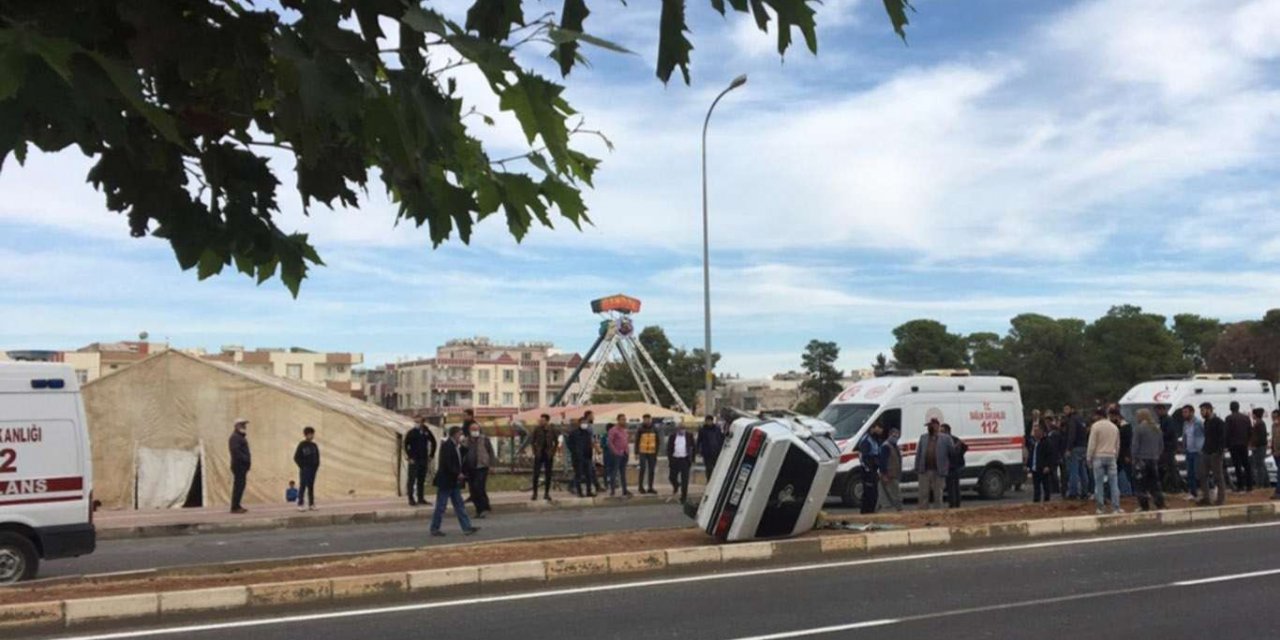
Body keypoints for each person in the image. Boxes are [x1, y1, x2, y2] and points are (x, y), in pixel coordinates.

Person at [430, 427, 478, 537]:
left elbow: (461, 457)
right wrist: (457, 473)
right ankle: (434, 528)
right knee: (441, 506)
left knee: (459, 505)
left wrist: (465, 446)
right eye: (459, 434)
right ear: (454, 434)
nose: (461, 436)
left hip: (454, 481)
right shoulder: (447, 445)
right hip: (446, 480)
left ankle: (467, 527)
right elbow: (447, 463)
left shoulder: (457, 446)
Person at [1087, 408, 1122, 514]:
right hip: (1111, 456)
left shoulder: (1095, 426)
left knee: (1099, 483)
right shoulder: (1114, 427)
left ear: (1098, 416)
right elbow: (1117, 444)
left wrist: (1089, 458)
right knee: (1114, 483)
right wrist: (1115, 456)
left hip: (1098, 456)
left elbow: (1092, 444)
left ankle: (1100, 507)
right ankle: (1116, 507)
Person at [914, 418, 953, 510]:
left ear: (937, 426)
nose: (929, 427)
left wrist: (947, 468)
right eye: (928, 426)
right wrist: (917, 467)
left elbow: (951, 453)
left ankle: (938, 513)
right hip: (924, 470)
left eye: (931, 425)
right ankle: (923, 513)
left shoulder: (946, 438)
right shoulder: (923, 437)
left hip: (938, 471)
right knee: (923, 494)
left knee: (938, 495)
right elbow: (919, 453)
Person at [1133, 408, 1166, 511]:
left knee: (1141, 483)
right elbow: (1161, 445)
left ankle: (1144, 505)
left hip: (1142, 459)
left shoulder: (1139, 429)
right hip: (1154, 459)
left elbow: (1135, 445)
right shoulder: (1157, 428)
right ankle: (1159, 503)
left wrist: (1134, 458)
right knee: (1154, 483)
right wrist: (1157, 455)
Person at [1197, 402, 1228, 506]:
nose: (1201, 413)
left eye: (1203, 410)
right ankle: (1206, 498)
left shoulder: (1218, 422)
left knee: (1218, 476)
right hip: (1206, 452)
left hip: (1215, 453)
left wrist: (1219, 451)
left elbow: (1223, 438)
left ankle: (1221, 499)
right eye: (1201, 411)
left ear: (1209, 410)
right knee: (1202, 475)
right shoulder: (1206, 422)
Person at [403, 417, 437, 507]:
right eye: (415, 422)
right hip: (414, 459)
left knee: (421, 480)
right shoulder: (411, 432)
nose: (417, 423)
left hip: (423, 458)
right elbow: (406, 444)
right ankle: (411, 498)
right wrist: (409, 456)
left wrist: (431, 455)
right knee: (412, 479)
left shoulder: (427, 432)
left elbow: (433, 442)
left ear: (423, 422)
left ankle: (421, 498)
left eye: (418, 422)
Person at [464, 426, 495, 517]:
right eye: (473, 430)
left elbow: (491, 452)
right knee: (473, 489)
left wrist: (492, 466)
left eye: (476, 430)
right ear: (469, 431)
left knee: (479, 487)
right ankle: (480, 508)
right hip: (470, 468)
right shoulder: (466, 441)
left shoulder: (484, 439)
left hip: (482, 467)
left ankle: (482, 509)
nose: (475, 432)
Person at [1224, 401, 1254, 492]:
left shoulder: (1229, 418)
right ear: (1238, 407)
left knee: (1237, 465)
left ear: (1230, 408)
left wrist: (1226, 444)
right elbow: (1250, 430)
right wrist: (1248, 441)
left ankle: (1240, 485)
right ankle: (1249, 485)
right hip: (1243, 444)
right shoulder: (1245, 418)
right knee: (1246, 465)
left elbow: (1227, 432)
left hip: (1233, 445)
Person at [1156, 404, 1185, 494]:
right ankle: (1175, 485)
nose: (1157, 413)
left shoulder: (1168, 420)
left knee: (1171, 467)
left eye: (1158, 410)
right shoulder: (1162, 420)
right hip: (1166, 447)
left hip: (1169, 447)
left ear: (1163, 410)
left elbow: (1170, 433)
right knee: (1170, 467)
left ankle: (1176, 487)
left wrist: (1160, 434)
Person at [528, 413, 557, 501]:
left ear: (547, 421)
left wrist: (553, 452)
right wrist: (535, 452)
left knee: (548, 475)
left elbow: (556, 442)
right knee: (536, 474)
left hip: (548, 454)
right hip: (539, 454)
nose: (541, 422)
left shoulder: (552, 429)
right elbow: (532, 441)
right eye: (540, 420)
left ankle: (546, 493)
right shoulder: (537, 429)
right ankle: (535, 493)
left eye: (543, 420)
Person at [1063, 405, 1089, 500]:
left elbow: (1072, 435)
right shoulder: (1081, 420)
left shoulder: (1072, 420)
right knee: (1083, 470)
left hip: (1075, 447)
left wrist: (1068, 448)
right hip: (1083, 447)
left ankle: (1073, 492)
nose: (1064, 411)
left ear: (1072, 409)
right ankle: (1085, 491)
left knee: (1073, 470)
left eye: (1066, 409)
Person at [857, 423, 883, 514]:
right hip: (868, 471)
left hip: (874, 469)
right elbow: (863, 458)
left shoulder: (876, 440)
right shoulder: (866, 440)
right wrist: (869, 470)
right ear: (872, 428)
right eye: (878, 427)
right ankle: (865, 513)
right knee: (868, 494)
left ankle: (871, 512)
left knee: (874, 494)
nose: (880, 430)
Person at [1028, 424, 1059, 503]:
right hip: (1035, 468)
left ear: (1041, 432)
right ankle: (1036, 500)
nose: (1035, 433)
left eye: (1037, 431)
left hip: (1043, 468)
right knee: (1036, 486)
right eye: (1034, 432)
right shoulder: (1034, 443)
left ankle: (1047, 500)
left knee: (1046, 485)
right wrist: (1029, 465)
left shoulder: (1046, 442)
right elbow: (1031, 455)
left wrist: (1048, 466)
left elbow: (1050, 455)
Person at [566, 418, 596, 498]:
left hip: (587, 457)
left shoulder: (587, 433)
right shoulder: (574, 433)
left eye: (586, 423)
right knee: (578, 475)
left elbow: (589, 444)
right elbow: (569, 444)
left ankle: (588, 491)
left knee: (589, 475)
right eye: (583, 422)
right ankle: (580, 492)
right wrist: (575, 452)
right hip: (578, 458)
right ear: (579, 423)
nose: (584, 424)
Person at [667, 422, 696, 503]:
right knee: (671, 477)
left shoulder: (689, 436)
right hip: (675, 459)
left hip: (685, 460)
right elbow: (669, 448)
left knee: (685, 480)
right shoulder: (672, 436)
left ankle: (683, 497)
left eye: (683, 428)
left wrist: (692, 459)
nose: (682, 430)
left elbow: (693, 447)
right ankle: (676, 485)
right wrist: (670, 458)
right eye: (680, 428)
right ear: (677, 429)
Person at [293, 426, 320, 511]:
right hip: (305, 469)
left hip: (313, 469)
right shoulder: (302, 445)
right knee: (303, 486)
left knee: (311, 486)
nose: (312, 436)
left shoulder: (314, 445)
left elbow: (317, 457)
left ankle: (311, 504)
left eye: (313, 434)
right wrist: (303, 466)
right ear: (306, 435)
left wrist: (316, 466)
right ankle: (300, 504)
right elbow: (296, 457)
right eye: (310, 434)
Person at [1180, 404, 1205, 501]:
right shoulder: (1185, 424)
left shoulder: (1198, 423)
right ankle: (1192, 492)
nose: (1184, 414)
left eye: (1185, 412)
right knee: (1190, 473)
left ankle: (1209, 488)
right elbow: (1185, 436)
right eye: (1183, 412)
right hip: (1189, 451)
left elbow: (1203, 435)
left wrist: (1201, 448)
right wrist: (1184, 446)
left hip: (1197, 451)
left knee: (1198, 472)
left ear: (1192, 412)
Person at [940, 424, 967, 508]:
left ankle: (953, 505)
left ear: (947, 431)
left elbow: (962, 449)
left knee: (952, 488)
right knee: (954, 487)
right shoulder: (954, 439)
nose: (940, 433)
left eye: (942, 431)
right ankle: (956, 504)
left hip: (953, 466)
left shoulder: (950, 440)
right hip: (955, 466)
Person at [878, 427, 904, 512]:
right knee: (895, 494)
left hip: (894, 474)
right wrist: (884, 474)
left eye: (897, 436)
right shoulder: (886, 446)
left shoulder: (894, 446)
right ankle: (899, 510)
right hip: (889, 475)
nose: (895, 437)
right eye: (894, 435)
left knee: (889, 494)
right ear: (889, 435)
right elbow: (883, 461)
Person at [229, 418, 251, 514]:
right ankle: (235, 507)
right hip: (239, 465)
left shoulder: (240, 437)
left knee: (240, 486)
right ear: (237, 426)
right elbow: (235, 451)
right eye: (242, 425)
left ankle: (237, 505)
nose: (244, 426)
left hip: (242, 465)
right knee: (238, 485)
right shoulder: (235, 437)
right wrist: (245, 459)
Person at [607, 415, 631, 497]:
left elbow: (626, 441)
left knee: (623, 472)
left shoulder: (625, 430)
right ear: (618, 420)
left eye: (625, 419)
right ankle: (612, 490)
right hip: (617, 454)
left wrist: (627, 451)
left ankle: (625, 490)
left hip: (624, 453)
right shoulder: (613, 430)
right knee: (614, 472)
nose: (624, 421)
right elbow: (610, 442)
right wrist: (615, 451)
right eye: (622, 420)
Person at [634, 415, 660, 494]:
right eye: (645, 419)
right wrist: (636, 452)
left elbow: (657, 441)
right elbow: (637, 441)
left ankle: (650, 487)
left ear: (650, 420)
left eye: (648, 419)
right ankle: (640, 487)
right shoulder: (640, 429)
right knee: (642, 469)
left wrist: (656, 452)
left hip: (652, 452)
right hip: (643, 452)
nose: (647, 421)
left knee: (651, 470)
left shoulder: (654, 429)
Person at [1112, 407, 1134, 497]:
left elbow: (1127, 442)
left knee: (1127, 472)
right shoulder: (1119, 426)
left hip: (1124, 453)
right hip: (1119, 453)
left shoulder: (1126, 427)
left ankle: (1130, 490)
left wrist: (1127, 455)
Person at [697, 415, 725, 480]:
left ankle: (715, 480)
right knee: (708, 468)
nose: (708, 422)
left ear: (712, 421)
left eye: (710, 421)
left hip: (716, 451)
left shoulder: (717, 429)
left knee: (716, 467)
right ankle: (709, 480)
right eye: (707, 421)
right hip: (707, 452)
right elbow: (699, 440)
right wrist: (698, 451)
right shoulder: (702, 430)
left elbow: (721, 439)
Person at [1250, 407, 1269, 490]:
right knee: (1261, 465)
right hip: (1260, 447)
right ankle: (1265, 483)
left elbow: (1260, 437)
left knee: (1260, 465)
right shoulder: (1259, 423)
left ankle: (1261, 484)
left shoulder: (1260, 424)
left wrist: (1254, 445)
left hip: (1260, 447)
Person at [1271, 410, 1280, 500]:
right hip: (1275, 453)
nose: (1274, 419)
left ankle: (1278, 492)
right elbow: (1273, 439)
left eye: (1275, 417)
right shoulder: (1273, 426)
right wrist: (1273, 450)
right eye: (1272, 417)